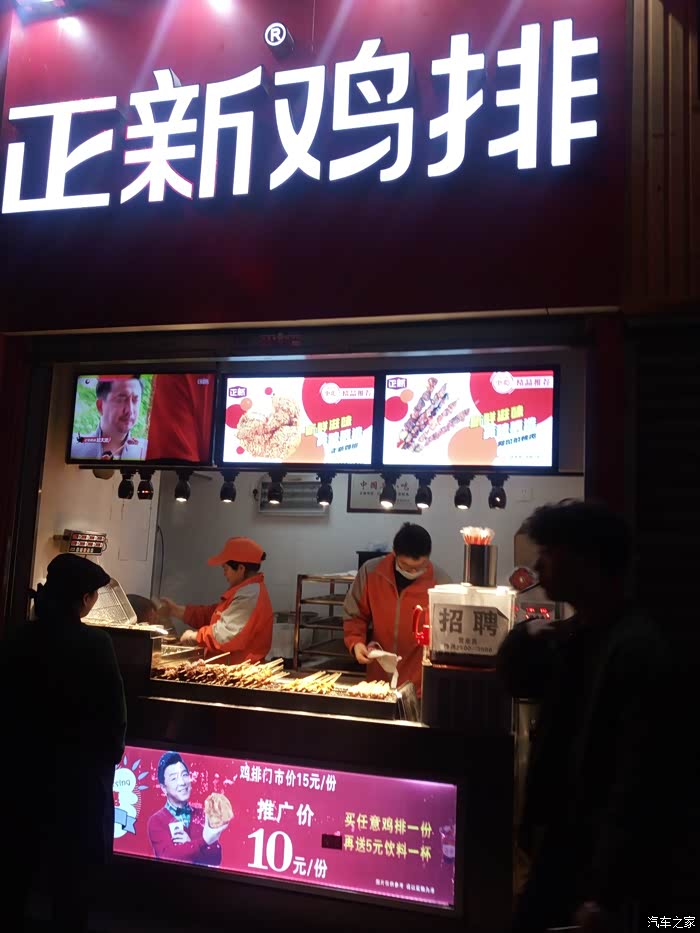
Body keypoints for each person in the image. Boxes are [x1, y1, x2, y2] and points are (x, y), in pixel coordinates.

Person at [496, 501, 676, 933]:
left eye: (549, 551)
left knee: (675, 924)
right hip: (562, 851)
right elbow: (518, 680)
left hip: (592, 872)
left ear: (586, 560)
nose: (537, 566)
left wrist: (606, 894)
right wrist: (527, 634)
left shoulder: (635, 649)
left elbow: (638, 778)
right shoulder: (579, 634)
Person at [1, 554, 127, 933]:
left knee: (14, 881)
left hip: (19, 782)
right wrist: (106, 760)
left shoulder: (17, 636)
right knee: (70, 894)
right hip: (76, 790)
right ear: (84, 599)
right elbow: (113, 720)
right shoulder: (96, 644)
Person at [343, 523, 450, 695]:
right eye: (406, 566)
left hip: (419, 682)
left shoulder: (441, 583)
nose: (413, 571)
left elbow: (447, 635)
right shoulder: (371, 573)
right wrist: (356, 642)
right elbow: (354, 614)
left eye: (419, 566)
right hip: (378, 681)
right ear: (394, 553)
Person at [160, 536, 273, 664]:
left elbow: (226, 635)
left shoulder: (250, 595)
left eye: (226, 568)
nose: (224, 573)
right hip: (229, 666)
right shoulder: (245, 591)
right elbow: (214, 615)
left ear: (241, 569)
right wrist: (177, 611)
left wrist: (195, 636)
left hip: (239, 670)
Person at [147, 751, 229, 866]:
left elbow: (215, 858)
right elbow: (169, 856)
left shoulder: (203, 814)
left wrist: (189, 844)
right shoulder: (156, 821)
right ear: (163, 788)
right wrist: (204, 841)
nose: (182, 782)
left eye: (184, 775)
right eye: (174, 778)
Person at [71, 374, 147, 460]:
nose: (130, 410)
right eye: (121, 400)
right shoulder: (75, 451)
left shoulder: (147, 452)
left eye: (135, 400)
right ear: (100, 406)